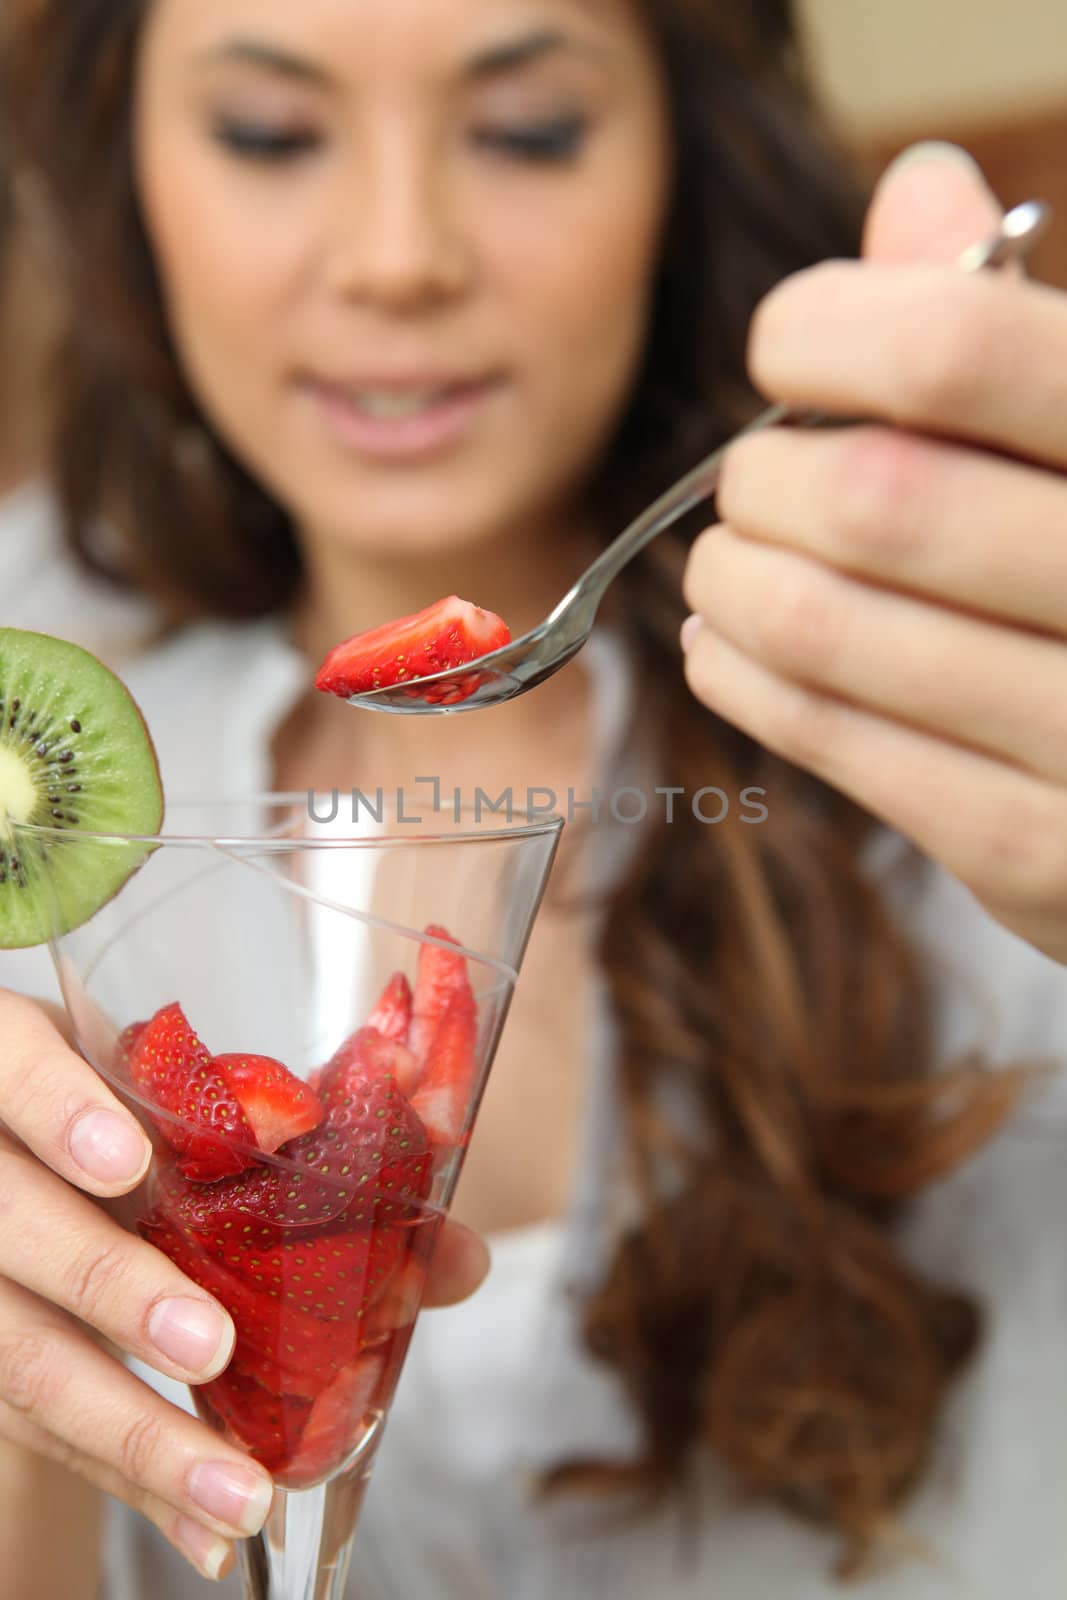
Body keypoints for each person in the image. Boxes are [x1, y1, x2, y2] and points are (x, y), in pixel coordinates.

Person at [1, 1, 1066, 1595]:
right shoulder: (26, 672)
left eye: (527, 130)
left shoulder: (972, 727)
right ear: (124, 166)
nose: (398, 256)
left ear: (680, 162)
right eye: (270, 135)